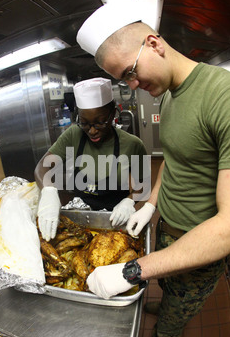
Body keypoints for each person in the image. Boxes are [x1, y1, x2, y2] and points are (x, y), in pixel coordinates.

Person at [76, 3, 230, 337]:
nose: (133, 86)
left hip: (200, 239)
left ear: (154, 44)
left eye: (131, 73)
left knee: (180, 305)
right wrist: (152, 204)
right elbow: (175, 156)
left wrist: (132, 271)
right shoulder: (171, 95)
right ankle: (165, 302)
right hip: (166, 226)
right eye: (125, 81)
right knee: (169, 290)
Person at [35, 77, 149, 242]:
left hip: (116, 222)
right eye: (85, 123)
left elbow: (142, 187)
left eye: (100, 122)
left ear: (113, 113)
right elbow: (41, 168)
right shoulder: (73, 136)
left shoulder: (132, 145)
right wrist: (49, 191)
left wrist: (129, 202)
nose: (93, 130)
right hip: (81, 223)